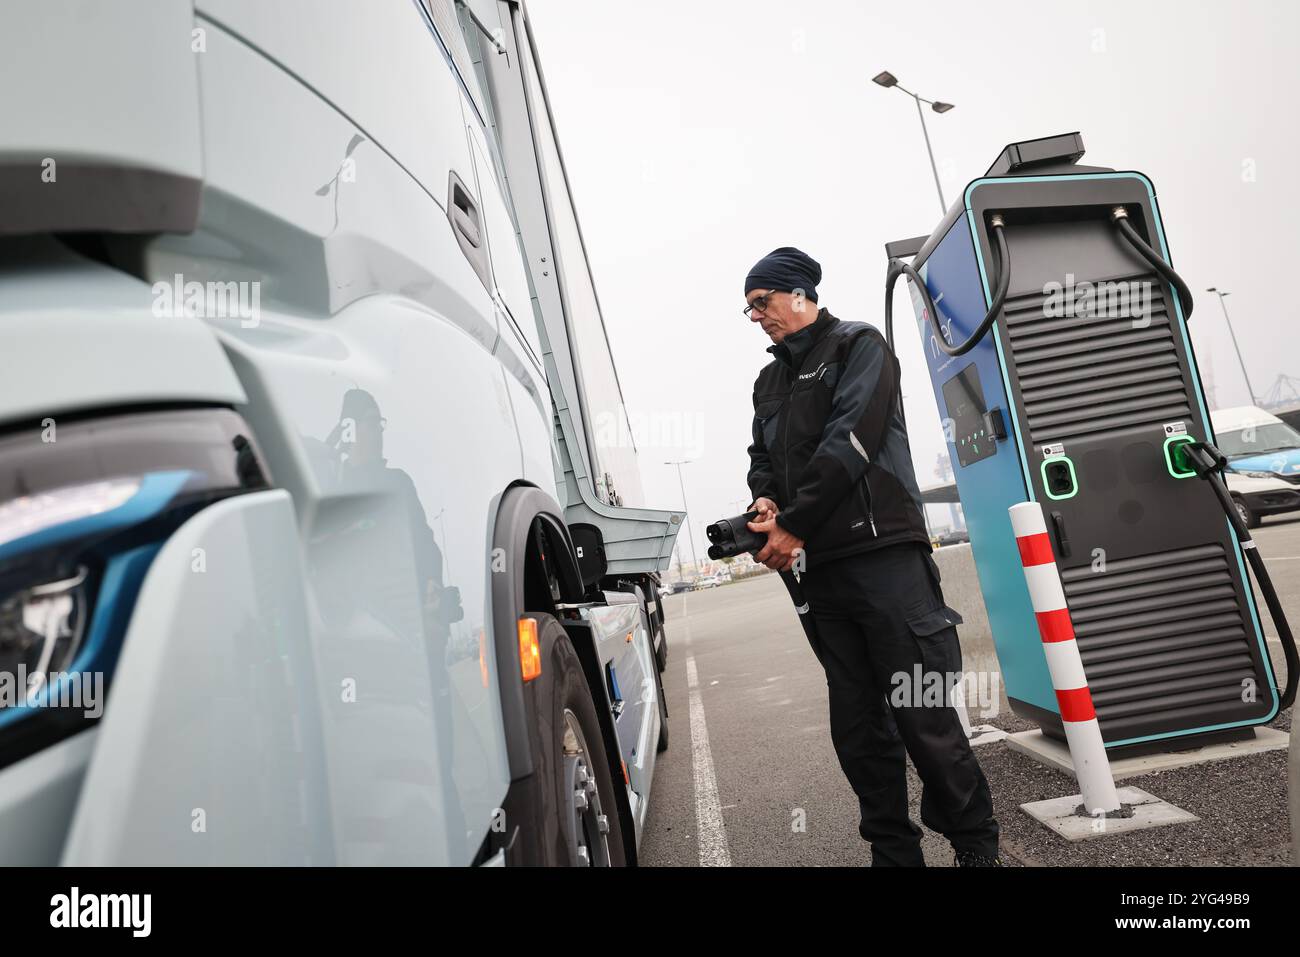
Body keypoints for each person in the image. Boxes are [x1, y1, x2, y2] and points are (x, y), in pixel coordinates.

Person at [742, 246, 1000, 866]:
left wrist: (794, 523)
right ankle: (894, 853)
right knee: (858, 731)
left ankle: (976, 848)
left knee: (925, 719)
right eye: (748, 308)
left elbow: (850, 440)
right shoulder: (770, 379)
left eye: (762, 303)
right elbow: (762, 458)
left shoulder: (861, 348)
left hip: (885, 562)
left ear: (798, 293)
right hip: (821, 575)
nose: (756, 317)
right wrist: (766, 505)